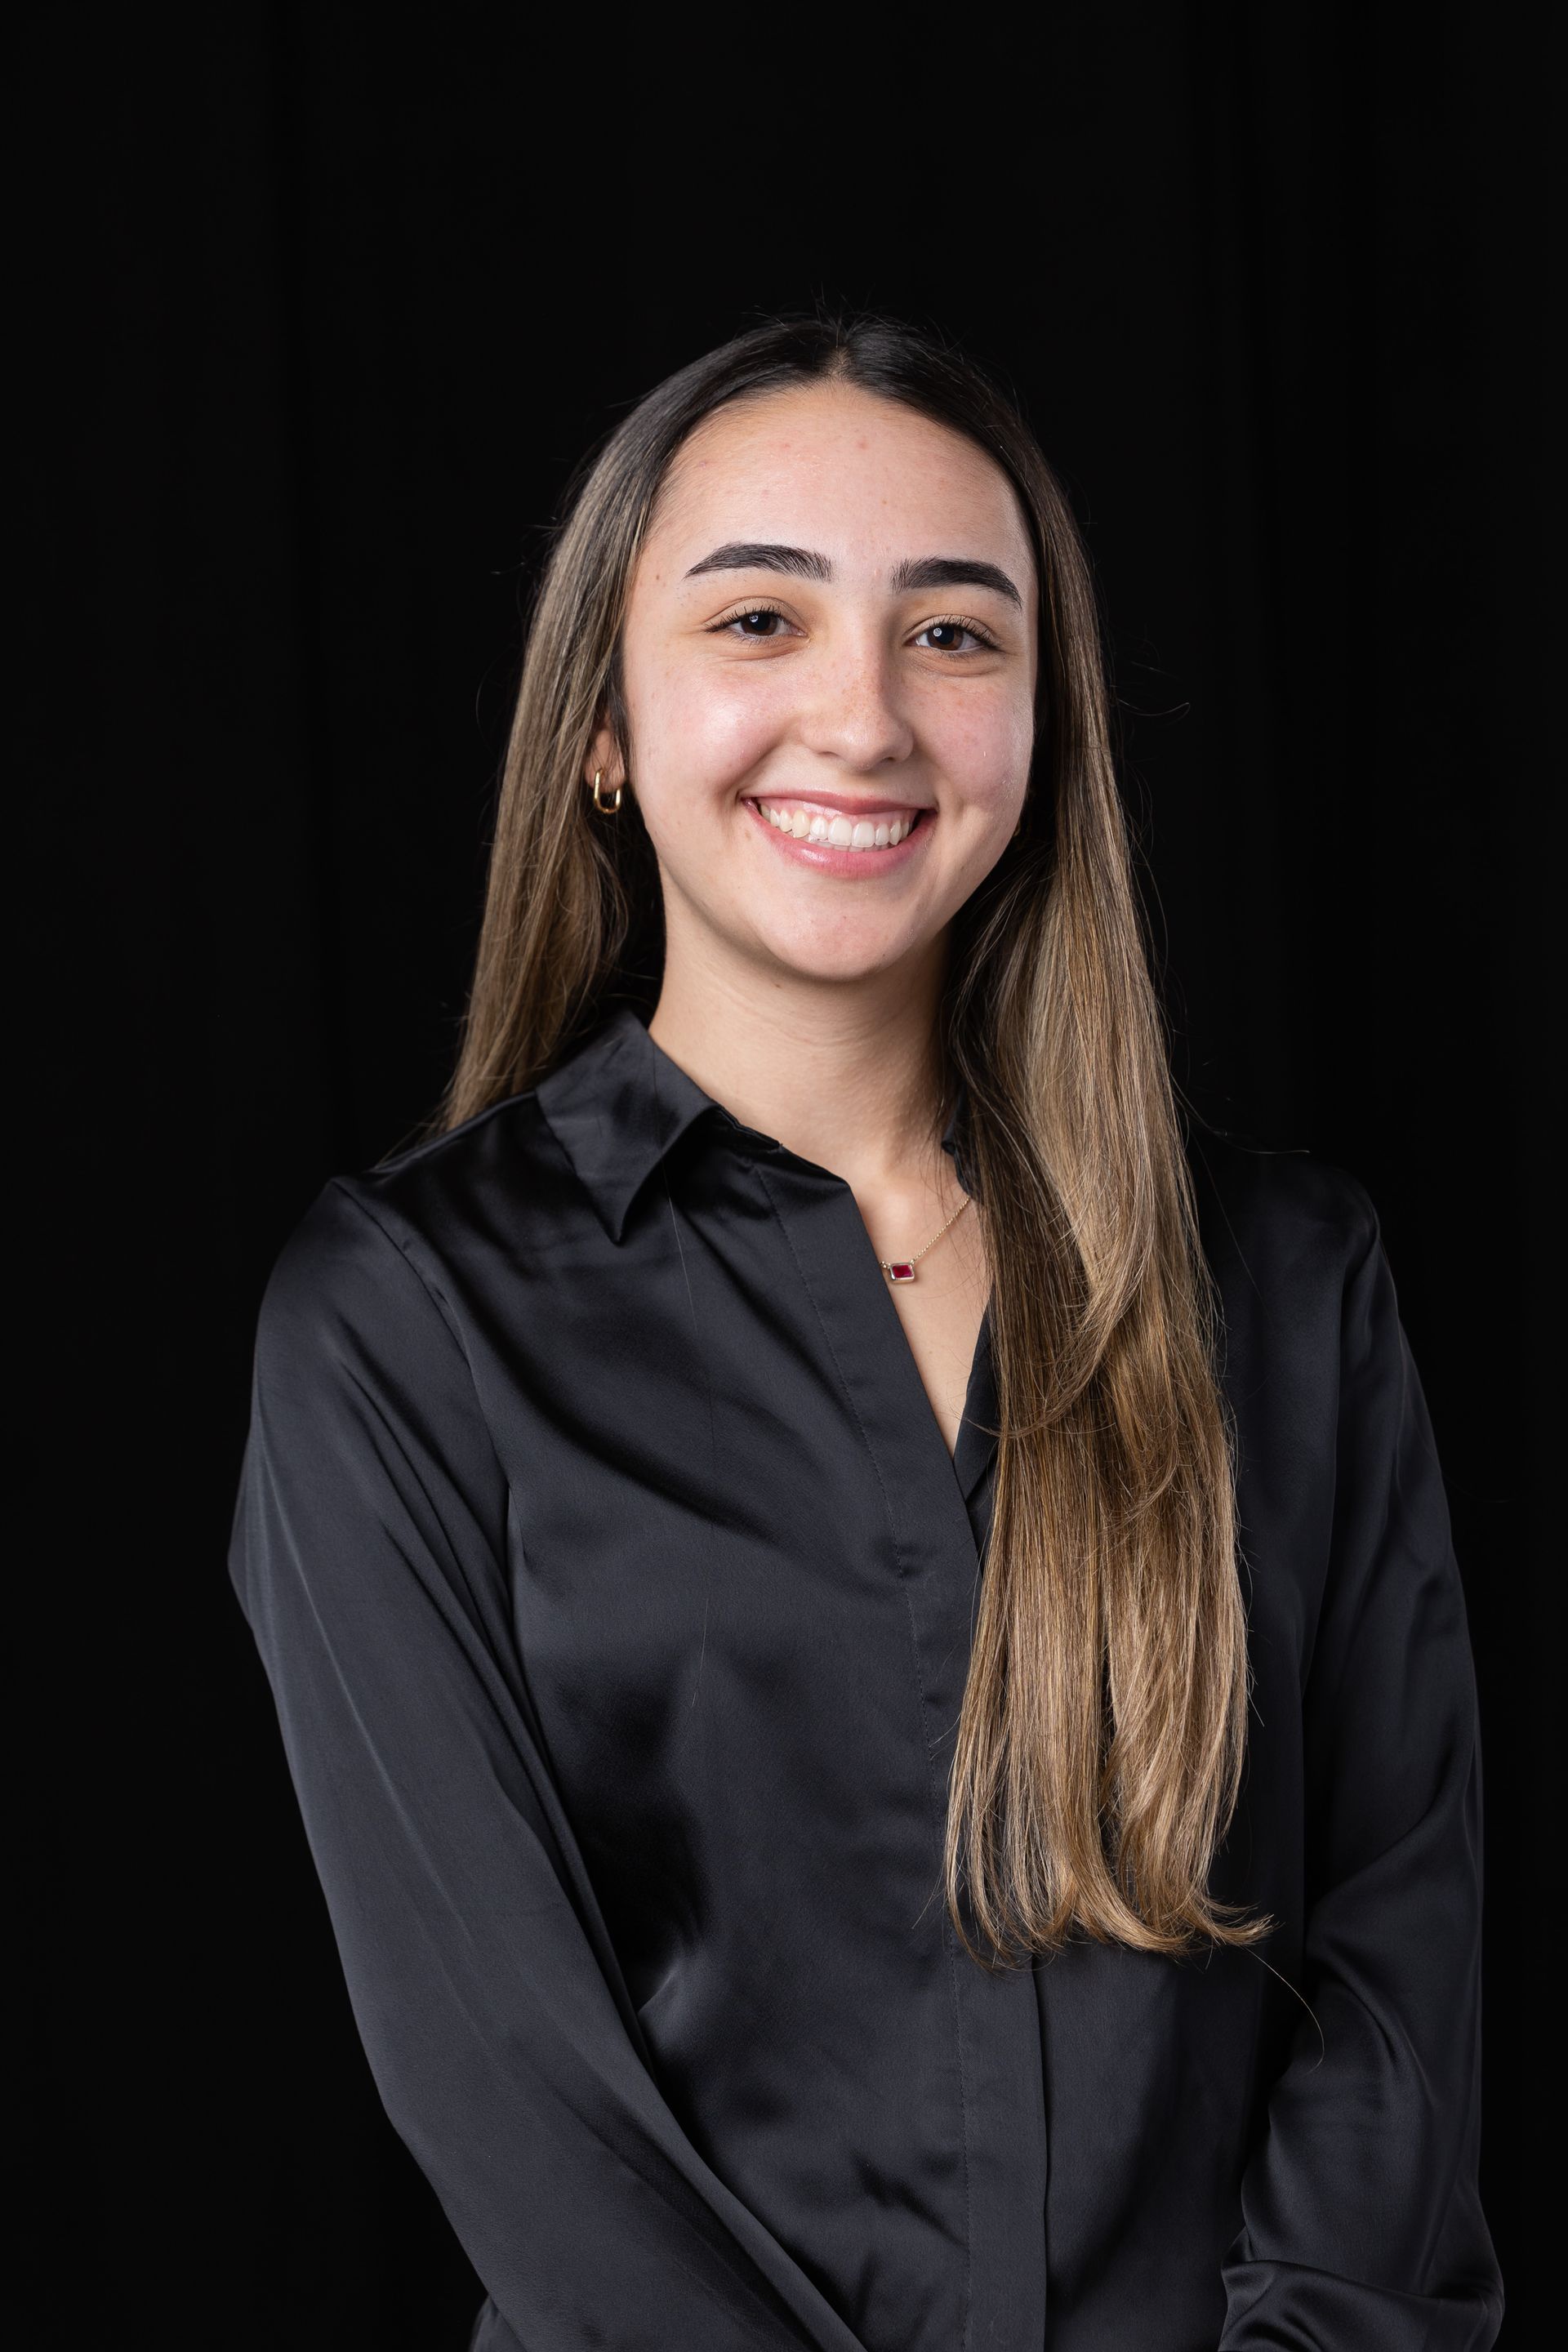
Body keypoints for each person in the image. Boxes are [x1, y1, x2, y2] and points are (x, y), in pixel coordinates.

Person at [228, 312, 1503, 2350]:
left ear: (1043, 724)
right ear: (603, 727)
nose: (865, 717)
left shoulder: (1286, 1281)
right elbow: (526, 2104)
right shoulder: (403, 1324)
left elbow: (1395, 1963)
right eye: (760, 619)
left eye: (954, 634)